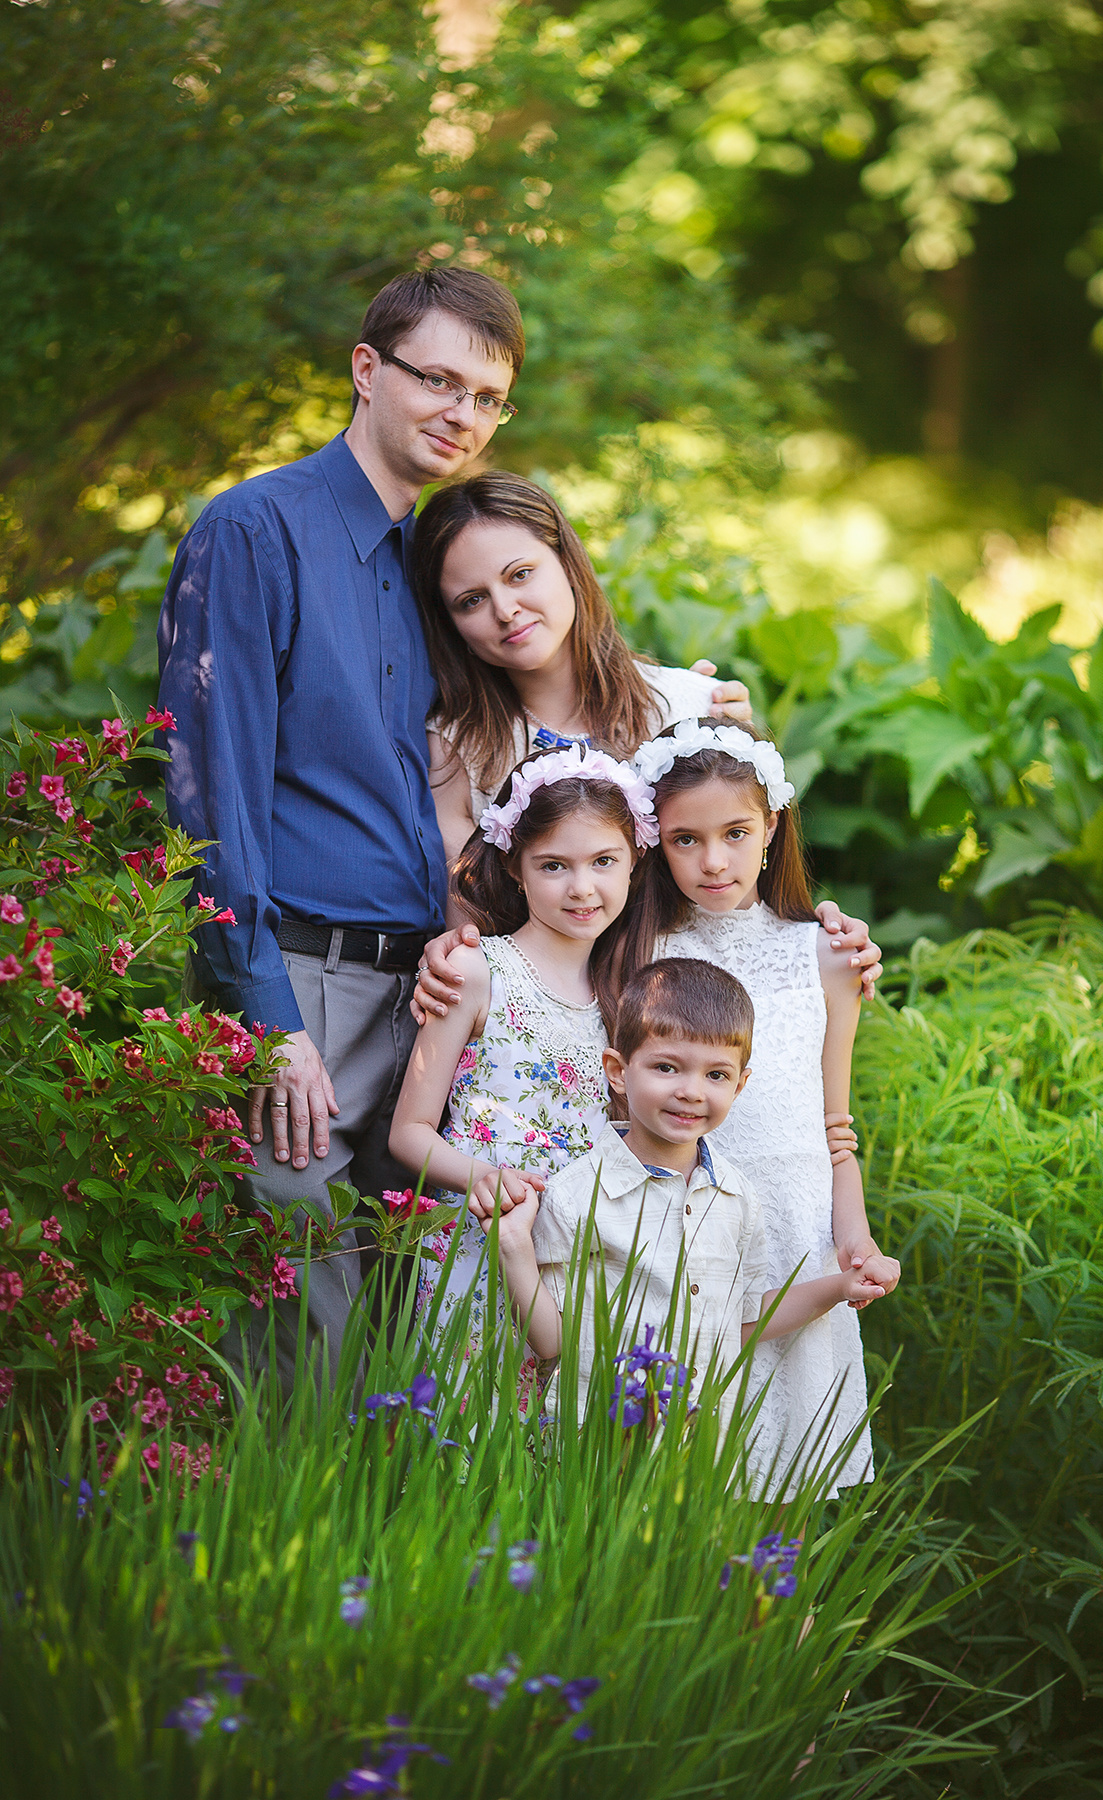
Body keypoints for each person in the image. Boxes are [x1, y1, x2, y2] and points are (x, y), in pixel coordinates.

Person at [156, 266, 527, 1386]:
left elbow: (537, 668)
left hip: (426, 994)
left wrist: (686, 702)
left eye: (488, 398)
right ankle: (269, 1509)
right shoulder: (255, 531)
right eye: (439, 381)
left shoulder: (436, 562)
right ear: (367, 370)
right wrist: (268, 1020)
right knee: (299, 1327)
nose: (463, 414)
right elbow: (209, 795)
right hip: (301, 986)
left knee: (410, 1329)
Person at [617, 718, 902, 1497]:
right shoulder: (637, 951)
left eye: (735, 833)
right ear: (655, 841)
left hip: (796, 1232)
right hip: (684, 1228)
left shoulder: (827, 954)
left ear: (772, 826)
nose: (713, 861)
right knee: (681, 1481)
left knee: (787, 1489)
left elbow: (834, 1127)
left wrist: (855, 1239)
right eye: (685, 839)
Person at [490, 959, 888, 1453]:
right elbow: (552, 1341)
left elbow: (743, 1323)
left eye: (716, 1074)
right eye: (666, 1067)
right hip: (595, 1446)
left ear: (739, 1085)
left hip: (695, 1453)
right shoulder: (578, 1195)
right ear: (618, 1071)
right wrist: (513, 1248)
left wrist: (839, 1287)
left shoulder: (736, 1198)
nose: (690, 1092)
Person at [387, 745, 658, 1371]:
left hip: (577, 1257)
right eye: (554, 865)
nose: (582, 887)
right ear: (515, 866)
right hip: (479, 1245)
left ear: (634, 860)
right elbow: (409, 1132)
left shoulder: (629, 995)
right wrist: (481, 1177)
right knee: (475, 1417)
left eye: (604, 861)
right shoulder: (477, 970)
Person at [410, 472, 754, 872]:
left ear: (568, 565)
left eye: (520, 574)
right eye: (472, 600)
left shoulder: (688, 707)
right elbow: (467, 903)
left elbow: (742, 881)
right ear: (451, 624)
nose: (504, 610)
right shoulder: (456, 750)